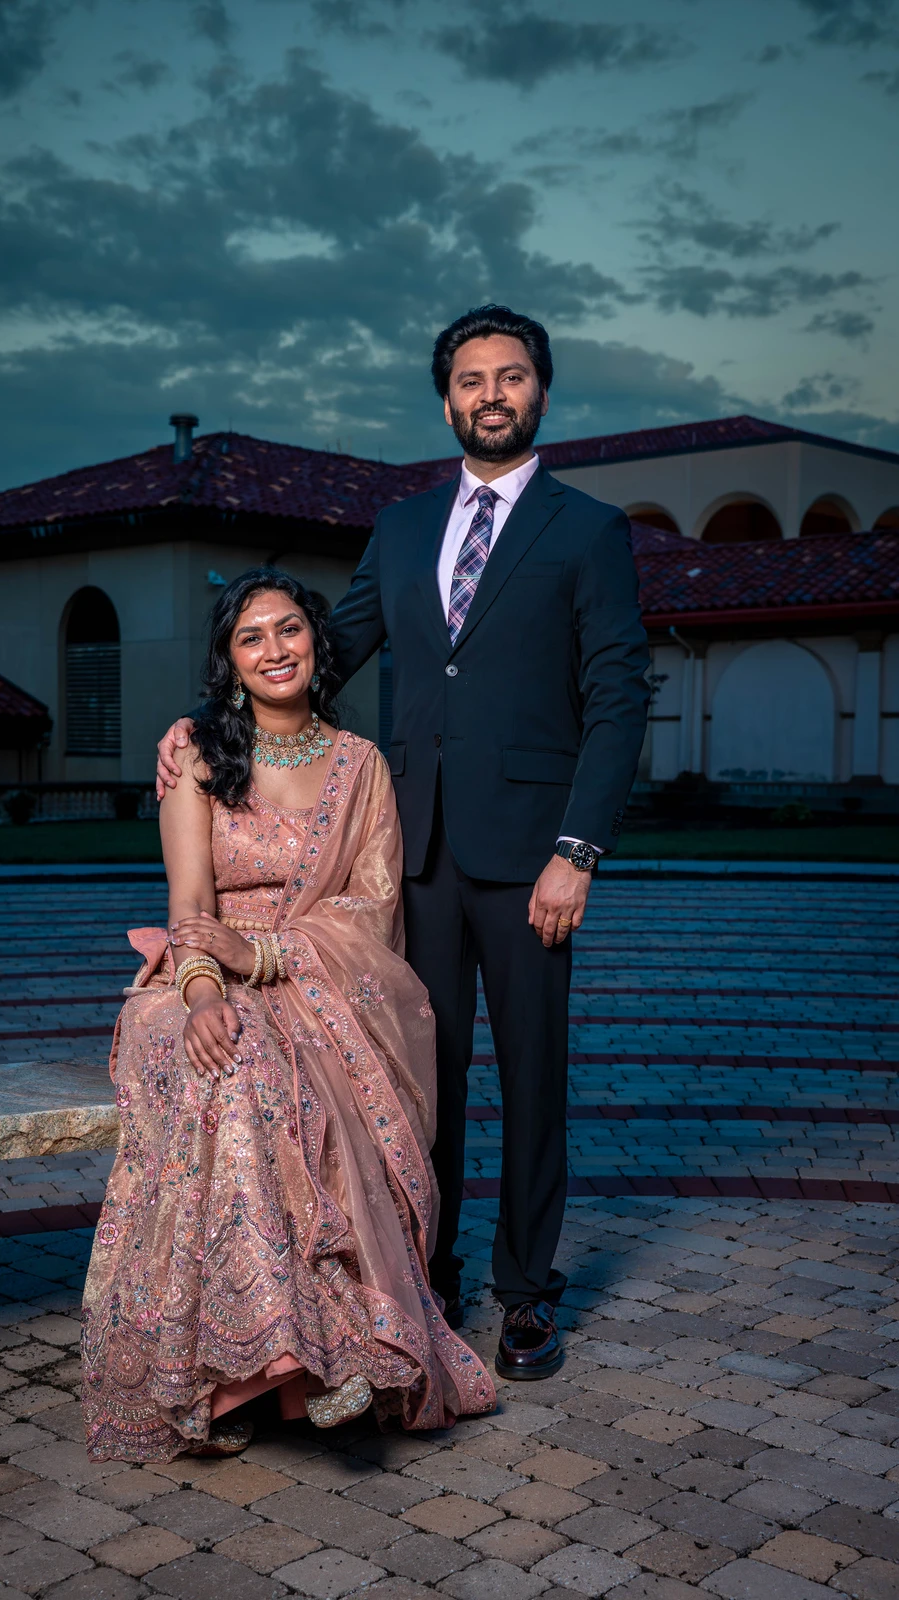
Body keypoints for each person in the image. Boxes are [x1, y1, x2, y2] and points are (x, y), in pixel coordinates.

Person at [158, 305, 650, 1382]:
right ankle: (419, 1273)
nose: (489, 393)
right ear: (445, 400)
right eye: (469, 378)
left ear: (539, 392)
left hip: (530, 858)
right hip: (409, 851)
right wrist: (224, 708)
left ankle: (522, 1295)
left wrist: (576, 848)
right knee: (412, 1077)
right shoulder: (400, 525)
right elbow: (318, 653)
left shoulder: (586, 530)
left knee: (532, 1078)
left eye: (509, 376)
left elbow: (616, 697)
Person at [83, 569, 495, 1462]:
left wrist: (265, 957)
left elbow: (370, 911)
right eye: (251, 636)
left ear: (317, 642)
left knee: (273, 1072)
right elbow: (190, 901)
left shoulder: (360, 769)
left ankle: (306, 1353)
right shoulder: (194, 749)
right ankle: (264, 1363)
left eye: (290, 629)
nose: (275, 649)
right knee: (226, 1060)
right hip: (192, 976)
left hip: (314, 982)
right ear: (229, 661)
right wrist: (201, 989)